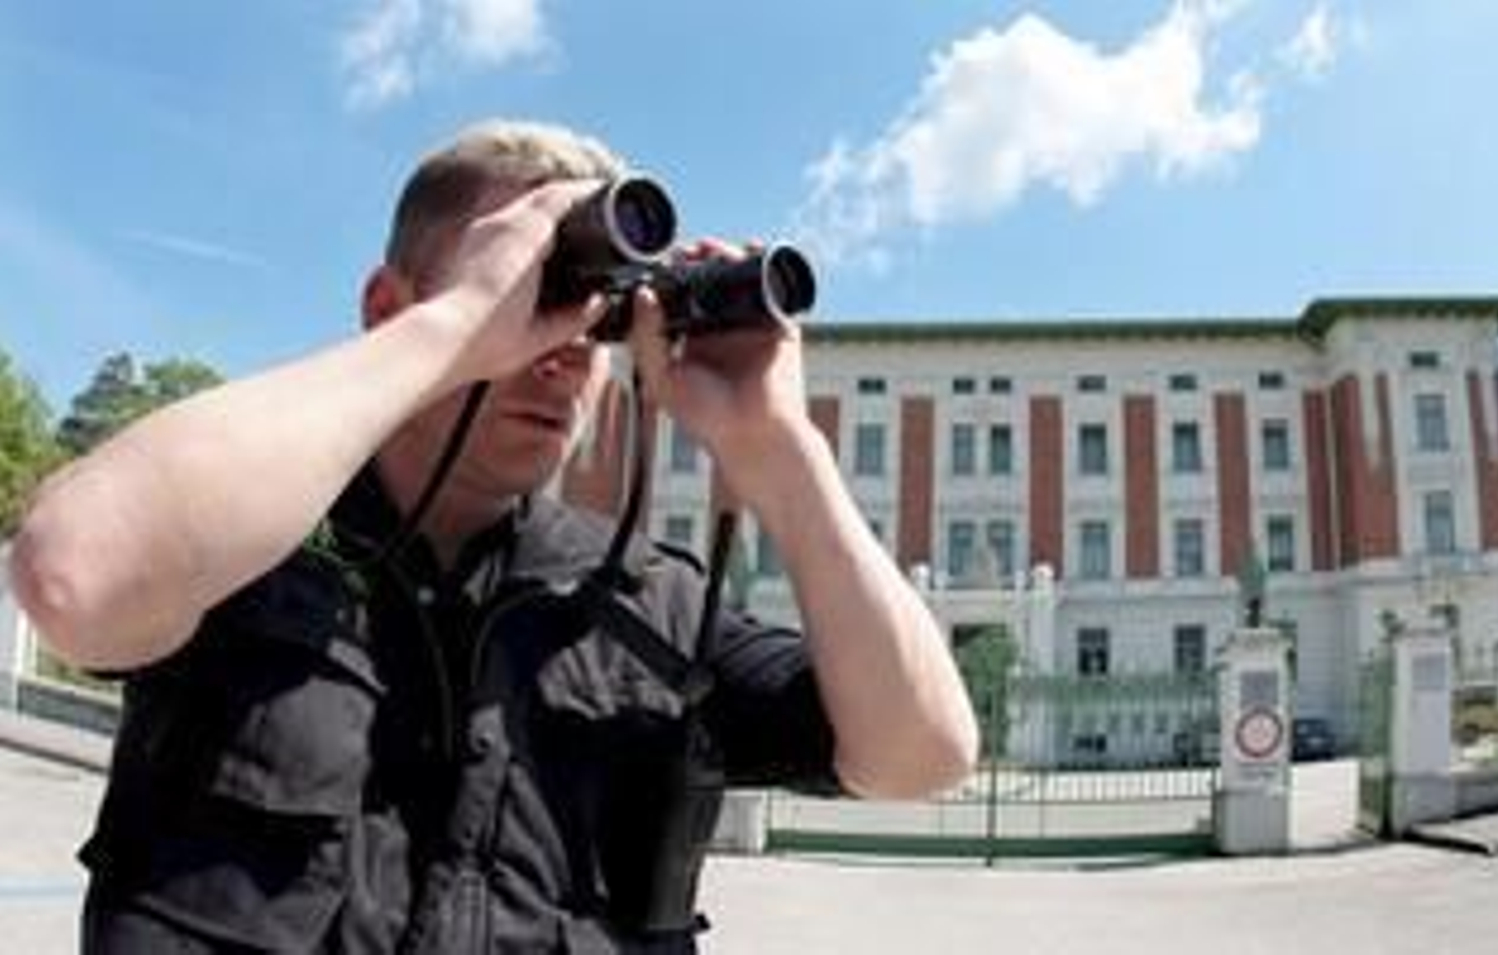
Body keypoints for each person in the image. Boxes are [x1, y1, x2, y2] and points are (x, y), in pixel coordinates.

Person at [8, 119, 978, 953]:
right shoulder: (245, 537)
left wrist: (780, 450)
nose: (559, 354)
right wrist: (460, 324)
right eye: (535, 293)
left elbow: (919, 753)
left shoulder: (649, 602)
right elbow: (70, 577)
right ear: (389, 307)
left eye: (592, 318)